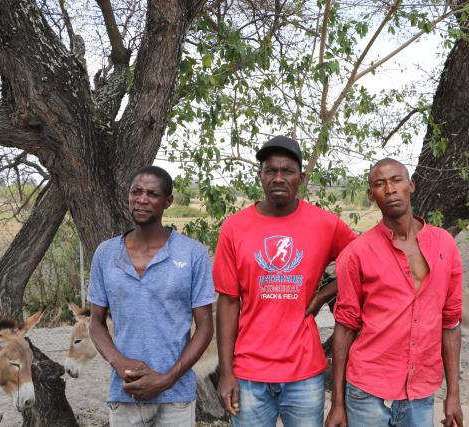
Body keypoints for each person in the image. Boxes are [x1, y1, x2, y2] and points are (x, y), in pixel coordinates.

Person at [213, 135, 357, 427]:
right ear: (260, 175)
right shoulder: (234, 228)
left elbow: (364, 261)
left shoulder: (325, 224)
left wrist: (323, 294)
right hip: (249, 373)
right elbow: (228, 301)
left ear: (301, 177)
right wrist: (226, 372)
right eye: (271, 170)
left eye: (287, 171)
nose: (278, 177)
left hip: (304, 373)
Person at [325, 158, 463, 427]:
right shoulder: (357, 253)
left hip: (421, 392)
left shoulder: (443, 244)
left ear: (410, 185)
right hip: (367, 392)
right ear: (371, 194)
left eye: (396, 180)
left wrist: (453, 394)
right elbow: (345, 327)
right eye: (379, 184)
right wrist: (337, 403)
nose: (389, 189)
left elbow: (450, 322)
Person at [88, 166, 215, 427]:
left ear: (167, 201)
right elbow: (95, 323)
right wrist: (119, 362)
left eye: (152, 194)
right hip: (125, 392)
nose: (142, 199)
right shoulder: (106, 253)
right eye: (136, 192)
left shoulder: (192, 254)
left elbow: (205, 327)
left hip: (176, 397)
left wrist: (168, 378)